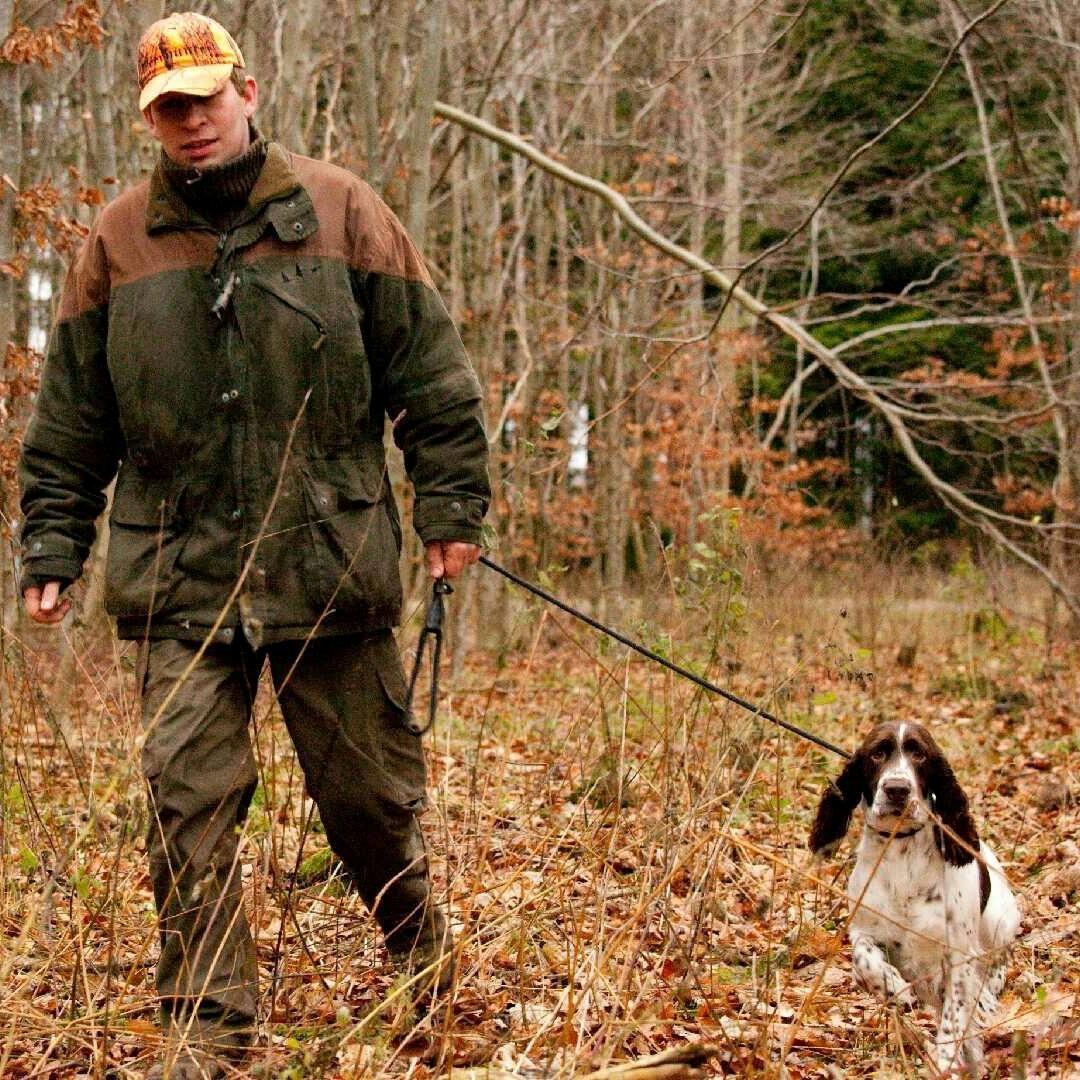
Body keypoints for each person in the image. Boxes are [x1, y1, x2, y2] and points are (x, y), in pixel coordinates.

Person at [18, 11, 490, 1078]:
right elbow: (70, 420)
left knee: (369, 805)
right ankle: (209, 1027)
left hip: (330, 568)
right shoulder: (116, 240)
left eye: (207, 99)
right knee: (188, 811)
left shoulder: (342, 210)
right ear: (151, 118)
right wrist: (53, 543)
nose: (192, 122)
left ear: (249, 89)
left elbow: (432, 375)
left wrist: (451, 511)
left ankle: (418, 944)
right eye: (170, 109)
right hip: (178, 575)